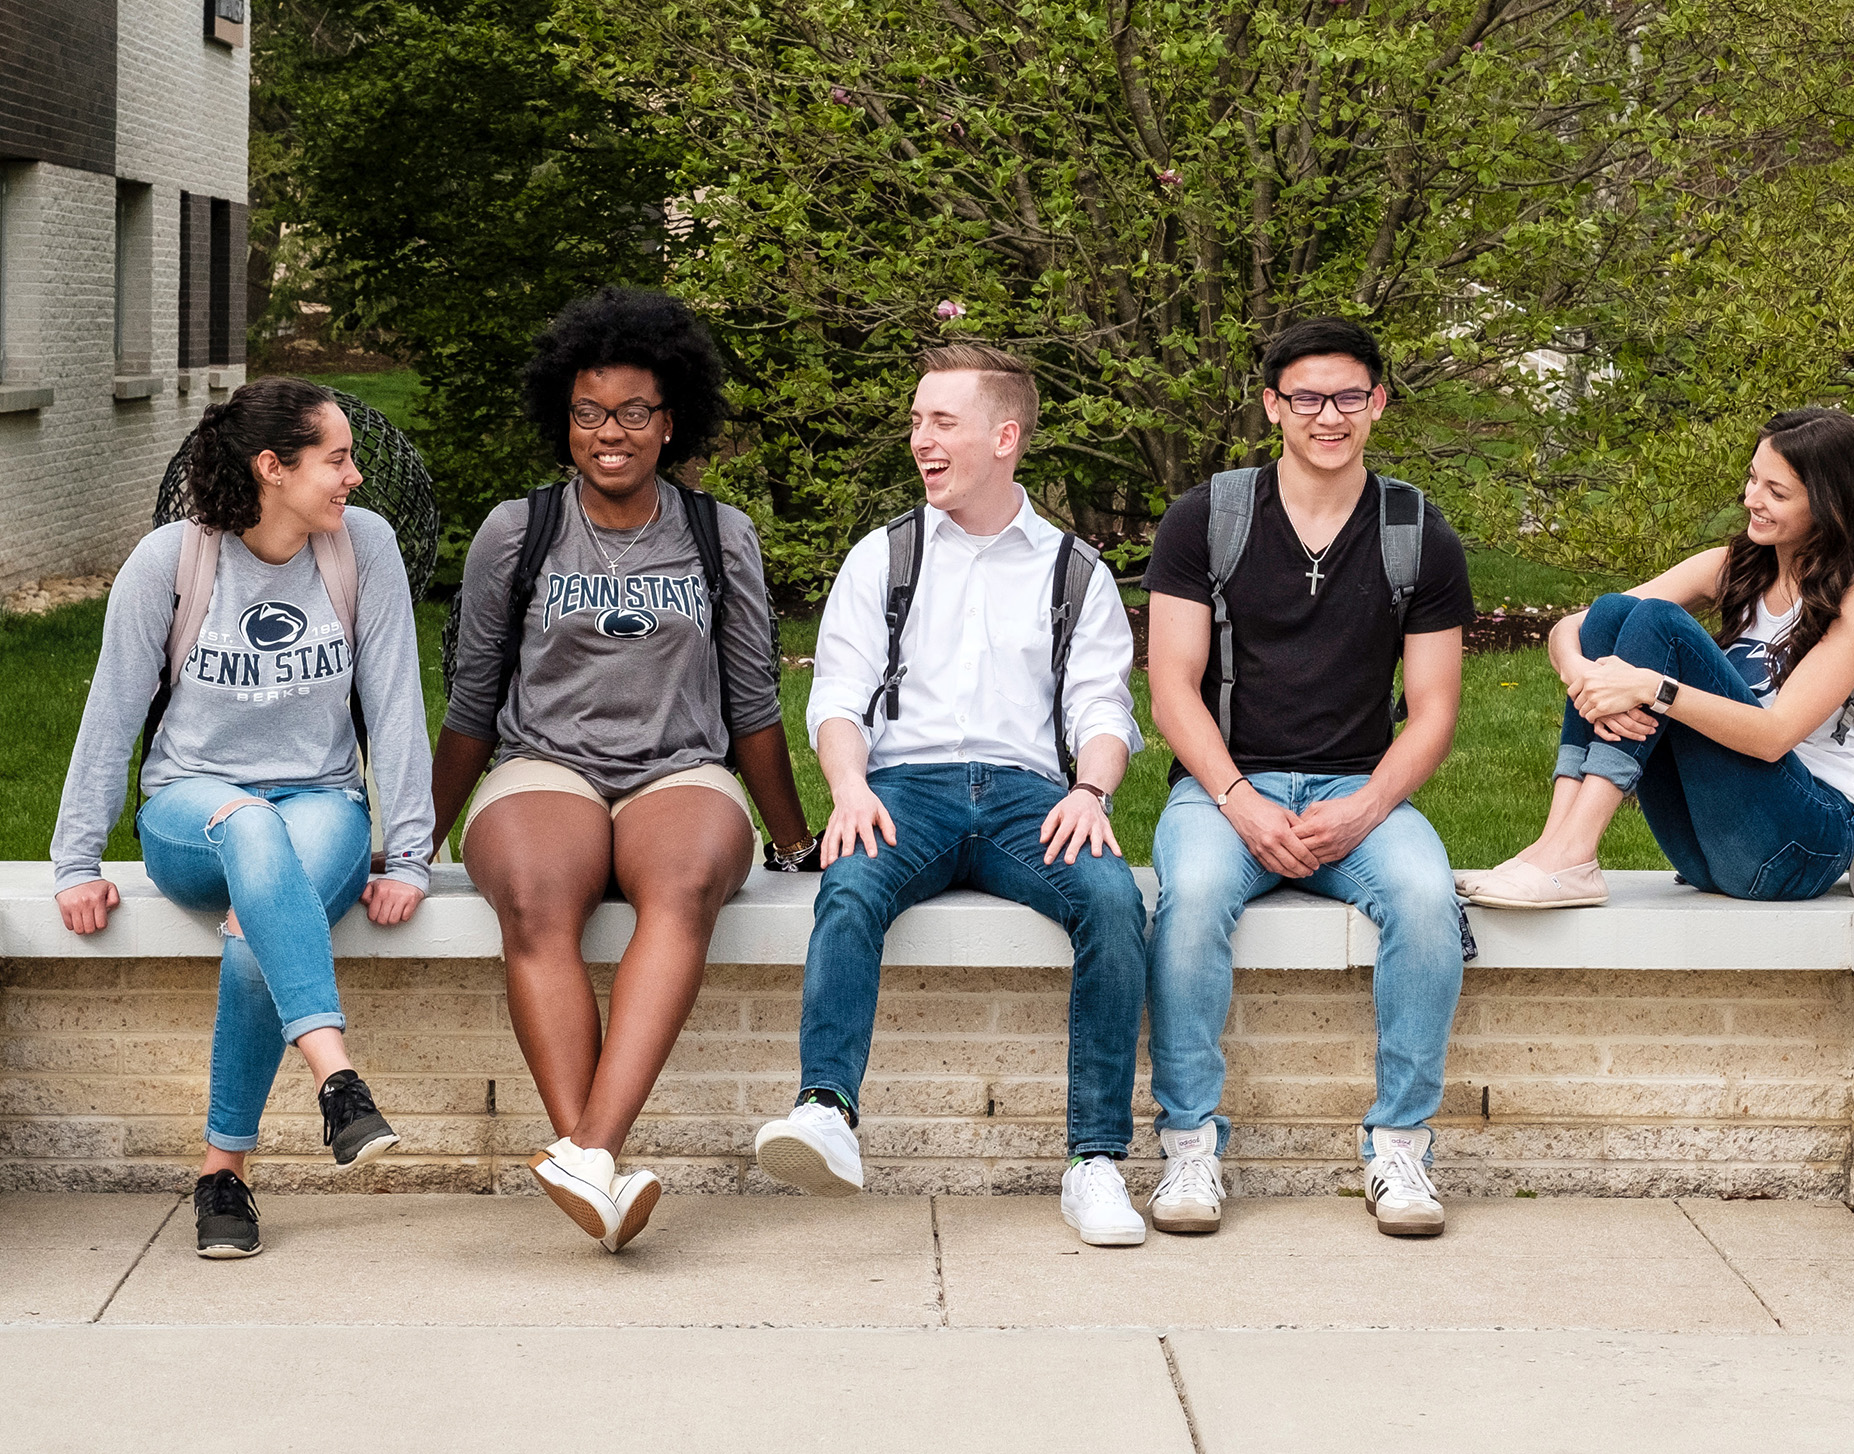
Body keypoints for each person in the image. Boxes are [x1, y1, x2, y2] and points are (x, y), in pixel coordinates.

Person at [431, 287, 814, 1254]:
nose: (612, 433)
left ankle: (589, 1150)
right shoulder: (516, 532)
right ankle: (594, 1168)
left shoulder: (718, 534)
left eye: (635, 412)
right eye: (590, 413)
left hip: (680, 767)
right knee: (532, 895)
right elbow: (474, 704)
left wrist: (796, 838)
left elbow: (753, 704)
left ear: (671, 419)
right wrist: (414, 843)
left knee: (683, 887)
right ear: (563, 420)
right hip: (543, 764)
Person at [751, 345, 1153, 1246]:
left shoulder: (1073, 570)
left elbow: (1102, 705)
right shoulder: (883, 556)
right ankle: (825, 1111)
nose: (919, 440)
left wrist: (1092, 790)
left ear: (1004, 437)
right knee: (850, 881)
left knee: (1114, 901)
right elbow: (838, 698)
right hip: (904, 789)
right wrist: (847, 787)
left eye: (942, 422)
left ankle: (1095, 1162)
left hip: (1030, 797)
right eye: (916, 421)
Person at [51, 376, 433, 1259]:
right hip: (194, 810)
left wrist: (409, 853)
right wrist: (76, 861)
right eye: (337, 459)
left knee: (257, 921)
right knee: (252, 832)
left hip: (324, 802)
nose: (355, 478)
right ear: (272, 467)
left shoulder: (361, 548)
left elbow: (397, 703)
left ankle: (223, 1177)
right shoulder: (173, 561)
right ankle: (336, 1077)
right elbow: (110, 713)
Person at [1144, 318, 1475, 1237]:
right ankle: (1189, 1147)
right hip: (1224, 788)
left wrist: (1367, 806)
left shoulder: (1417, 533)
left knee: (1424, 902)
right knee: (1194, 898)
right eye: (1305, 398)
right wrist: (1240, 802)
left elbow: (1435, 710)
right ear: (1272, 407)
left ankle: (1400, 1145)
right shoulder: (1207, 519)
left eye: (1347, 397)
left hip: (1359, 789)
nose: (1327, 416)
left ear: (1377, 404)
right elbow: (1171, 689)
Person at [1462, 407, 1854, 911]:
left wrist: (1653, 689)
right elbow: (1574, 627)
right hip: (1710, 849)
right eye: (1753, 479)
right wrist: (1582, 671)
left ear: (1831, 506)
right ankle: (1555, 846)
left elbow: (1773, 736)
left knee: (1659, 624)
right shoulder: (1735, 567)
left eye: (1776, 493)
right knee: (1613, 612)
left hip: (1805, 843)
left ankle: (1573, 850)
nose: (1751, 500)